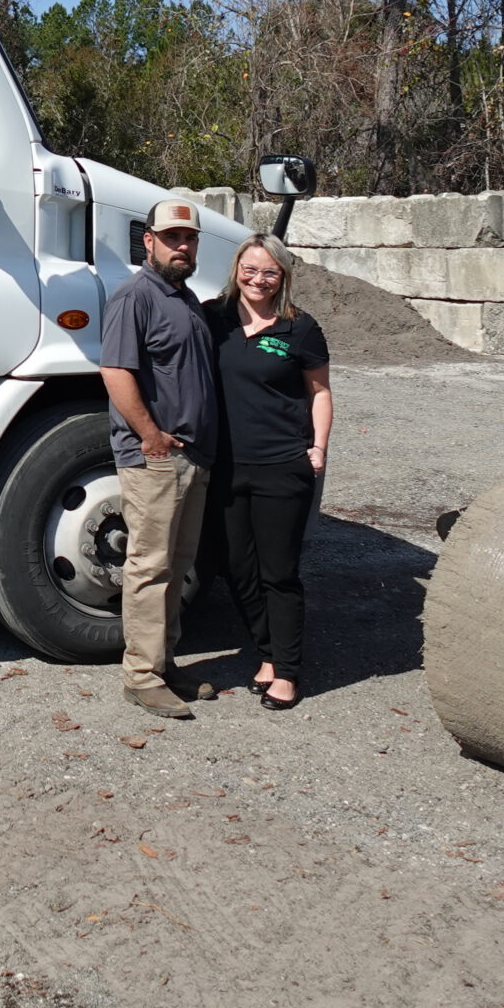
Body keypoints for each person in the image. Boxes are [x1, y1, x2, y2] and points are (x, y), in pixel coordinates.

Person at [97, 198, 222, 720]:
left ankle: (165, 664)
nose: (182, 246)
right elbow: (115, 372)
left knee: (179, 565)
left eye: (189, 238)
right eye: (171, 238)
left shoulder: (186, 298)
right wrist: (149, 434)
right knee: (149, 566)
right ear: (148, 240)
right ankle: (141, 677)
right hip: (156, 458)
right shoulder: (135, 298)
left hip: (193, 454)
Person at [206, 235, 334, 711]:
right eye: (250, 268)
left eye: (269, 272)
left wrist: (318, 447)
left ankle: (287, 671)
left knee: (278, 573)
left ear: (283, 277)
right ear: (237, 267)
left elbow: (319, 392)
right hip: (225, 466)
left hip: (282, 467)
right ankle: (266, 651)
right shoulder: (212, 317)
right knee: (238, 568)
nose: (258, 279)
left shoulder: (299, 329)